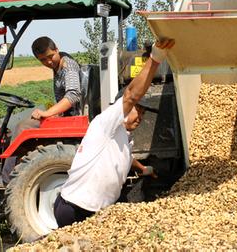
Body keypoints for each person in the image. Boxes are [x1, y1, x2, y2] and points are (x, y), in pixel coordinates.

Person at [53, 38, 175, 228]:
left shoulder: (124, 138)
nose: (140, 116)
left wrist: (142, 169)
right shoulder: (105, 123)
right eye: (138, 110)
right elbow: (131, 95)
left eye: (144, 113)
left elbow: (123, 157)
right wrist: (156, 58)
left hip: (99, 211)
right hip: (74, 209)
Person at [0, 36, 82, 187]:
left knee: (23, 127)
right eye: (43, 60)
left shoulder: (68, 67)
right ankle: (16, 168)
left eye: (51, 56)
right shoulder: (57, 65)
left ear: (57, 49)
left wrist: (47, 113)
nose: (49, 62)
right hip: (64, 115)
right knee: (22, 125)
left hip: (73, 117)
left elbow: (73, 95)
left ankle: (6, 178)